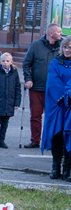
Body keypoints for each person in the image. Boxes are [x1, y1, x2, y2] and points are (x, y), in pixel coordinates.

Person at [22, 23, 62, 148]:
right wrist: (28, 79)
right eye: (59, 32)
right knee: (35, 116)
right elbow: (26, 63)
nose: (61, 34)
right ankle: (35, 140)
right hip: (37, 87)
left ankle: (51, 141)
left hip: (55, 90)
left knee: (54, 116)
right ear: (50, 33)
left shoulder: (62, 47)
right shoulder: (36, 45)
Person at [42, 36, 71, 180]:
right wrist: (67, 94)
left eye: (70, 47)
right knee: (57, 137)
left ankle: (67, 170)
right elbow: (53, 84)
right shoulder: (55, 63)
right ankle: (55, 168)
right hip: (58, 106)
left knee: (70, 137)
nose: (67, 50)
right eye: (65, 47)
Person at [0, 52, 22, 149]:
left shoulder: (14, 73)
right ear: (0, 62)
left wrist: (17, 102)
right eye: (3, 61)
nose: (5, 63)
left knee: (5, 122)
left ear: (11, 62)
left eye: (7, 61)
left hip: (9, 102)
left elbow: (17, 88)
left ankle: (2, 140)